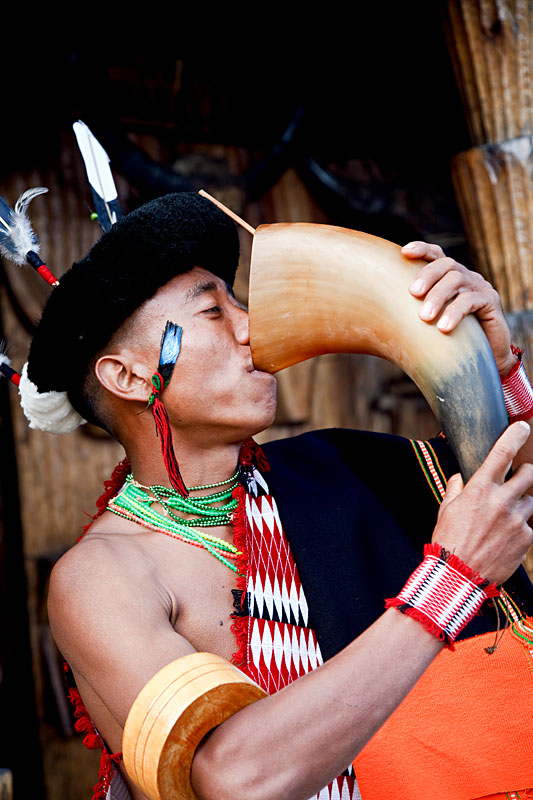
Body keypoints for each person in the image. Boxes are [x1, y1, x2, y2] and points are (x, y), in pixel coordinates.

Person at [11, 193, 532, 800]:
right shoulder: (102, 576)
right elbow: (234, 780)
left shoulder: (336, 470)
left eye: (240, 303)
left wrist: (491, 366)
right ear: (127, 377)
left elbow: (502, 488)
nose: (252, 326)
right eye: (212, 313)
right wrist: (450, 584)